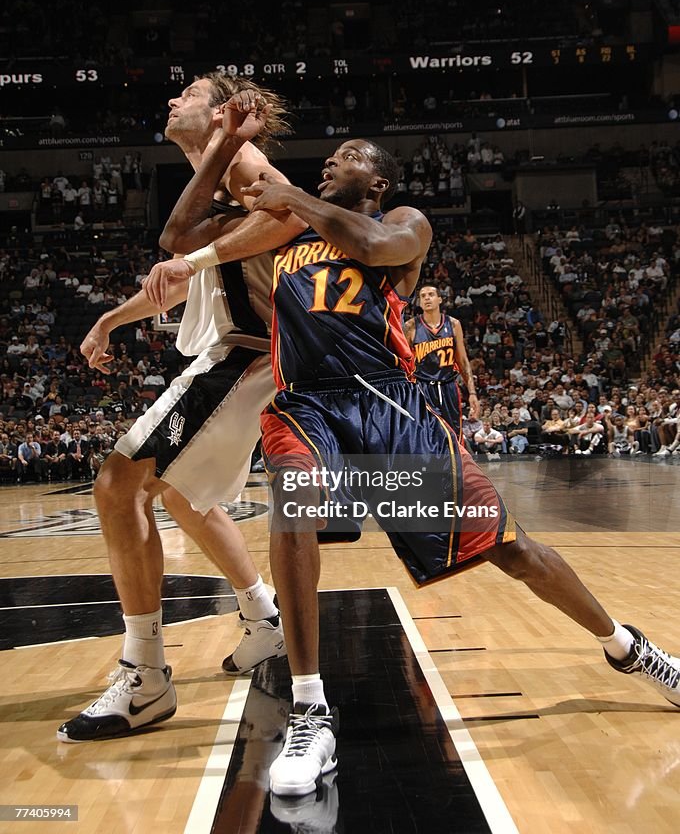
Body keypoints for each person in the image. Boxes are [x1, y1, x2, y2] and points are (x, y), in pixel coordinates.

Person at [225, 139, 680, 799]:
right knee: (294, 503)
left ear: (378, 179)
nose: (329, 159)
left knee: (513, 551)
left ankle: (627, 646)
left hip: (388, 414)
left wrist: (288, 196)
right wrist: (216, 150)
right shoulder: (286, 246)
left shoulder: (404, 222)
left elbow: (377, 250)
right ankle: (309, 710)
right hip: (308, 406)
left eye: (349, 154)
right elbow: (183, 239)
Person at [57, 75, 306, 743]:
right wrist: (109, 319)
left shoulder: (242, 162)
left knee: (118, 486)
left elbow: (291, 214)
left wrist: (194, 258)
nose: (173, 99)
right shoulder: (210, 170)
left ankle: (147, 678)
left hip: (248, 358)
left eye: (190, 91)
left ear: (225, 109)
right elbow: (176, 280)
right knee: (182, 497)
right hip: (239, 355)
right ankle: (262, 618)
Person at [403, 285, 480, 439]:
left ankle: (455, 463)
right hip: (423, 387)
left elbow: (463, 361)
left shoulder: (453, 324)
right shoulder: (410, 326)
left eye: (431, 294)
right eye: (423, 296)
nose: (426, 298)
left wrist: (472, 393)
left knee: (453, 434)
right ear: (419, 302)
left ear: (440, 299)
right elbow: (403, 364)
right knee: (426, 435)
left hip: (448, 385)